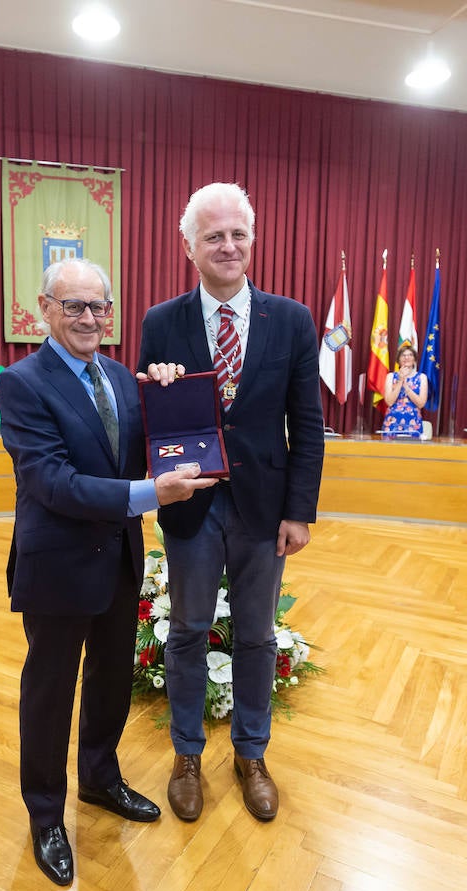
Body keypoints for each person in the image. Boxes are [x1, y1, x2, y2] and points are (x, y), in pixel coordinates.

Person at [1, 257, 215, 886]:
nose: (89, 318)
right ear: (44, 308)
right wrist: (150, 495)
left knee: (111, 683)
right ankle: (45, 815)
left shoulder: (122, 377)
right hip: (58, 569)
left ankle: (98, 779)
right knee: (49, 695)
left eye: (99, 306)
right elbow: (52, 482)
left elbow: (161, 443)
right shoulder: (22, 383)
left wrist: (171, 388)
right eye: (74, 306)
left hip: (120, 561)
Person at [137, 182, 325, 825]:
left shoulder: (293, 320)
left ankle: (252, 754)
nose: (228, 245)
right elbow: (151, 424)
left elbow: (307, 421)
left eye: (237, 233)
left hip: (264, 509)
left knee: (257, 634)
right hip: (191, 505)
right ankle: (187, 753)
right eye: (213, 235)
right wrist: (156, 387)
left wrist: (299, 510)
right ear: (189, 246)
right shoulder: (160, 323)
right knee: (187, 631)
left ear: (253, 237)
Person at [380, 344, 428, 439]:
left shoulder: (422, 377)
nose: (407, 357)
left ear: (414, 359)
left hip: (413, 423)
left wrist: (406, 386)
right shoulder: (390, 377)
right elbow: (389, 401)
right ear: (398, 360)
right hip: (392, 423)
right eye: (403, 355)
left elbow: (421, 403)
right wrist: (400, 381)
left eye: (410, 355)